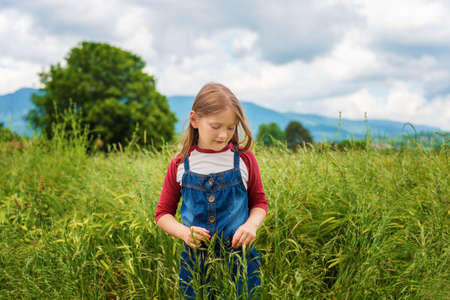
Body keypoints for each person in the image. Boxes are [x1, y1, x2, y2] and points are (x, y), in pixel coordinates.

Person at [155, 82, 268, 299]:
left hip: (240, 261)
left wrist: (251, 225)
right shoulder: (180, 163)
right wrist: (184, 233)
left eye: (231, 127)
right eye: (216, 126)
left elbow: (260, 203)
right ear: (194, 120)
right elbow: (162, 215)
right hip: (196, 264)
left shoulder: (244, 158)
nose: (223, 135)